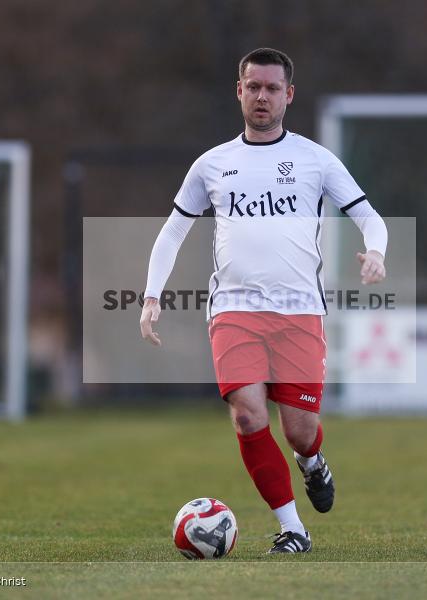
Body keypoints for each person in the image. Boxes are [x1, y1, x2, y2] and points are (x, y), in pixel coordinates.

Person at [140, 47, 387, 554]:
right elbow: (172, 232)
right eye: (253, 86)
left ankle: (313, 463)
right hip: (234, 310)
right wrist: (150, 296)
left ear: (288, 95)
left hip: (300, 312)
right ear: (239, 90)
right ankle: (293, 528)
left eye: (272, 88)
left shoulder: (315, 160)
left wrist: (377, 253)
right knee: (249, 416)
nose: (262, 96)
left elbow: (368, 216)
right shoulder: (213, 164)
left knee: (299, 431)